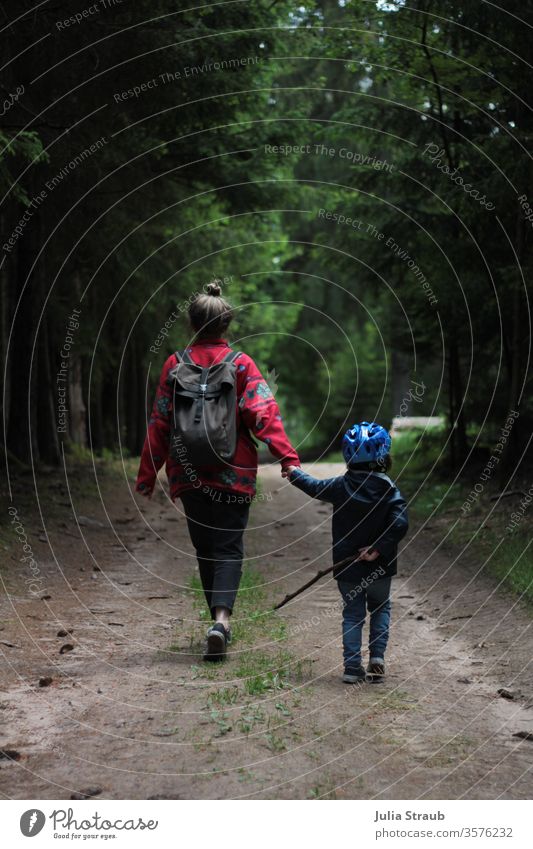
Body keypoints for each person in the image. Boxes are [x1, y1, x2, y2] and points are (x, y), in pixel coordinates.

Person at [136, 281, 300, 660]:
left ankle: (217, 623)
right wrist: (287, 456)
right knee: (228, 547)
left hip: (188, 474)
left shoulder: (175, 364)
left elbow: (160, 422)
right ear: (226, 324)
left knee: (206, 548)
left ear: (192, 325)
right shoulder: (241, 364)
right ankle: (222, 621)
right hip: (234, 472)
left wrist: (148, 473)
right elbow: (263, 413)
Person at [283, 422, 408, 684]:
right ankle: (377, 659)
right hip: (381, 566)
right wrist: (377, 548)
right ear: (384, 456)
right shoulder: (389, 489)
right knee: (380, 608)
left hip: (348, 566)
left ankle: (352, 668)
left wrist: (294, 473)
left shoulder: (341, 486)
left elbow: (313, 486)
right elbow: (399, 524)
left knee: (352, 614)